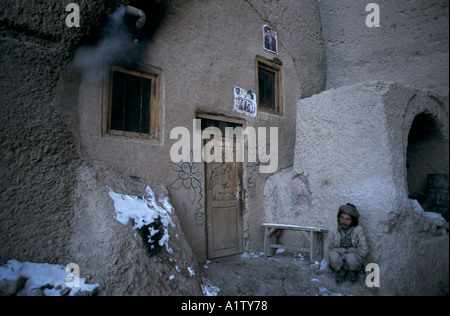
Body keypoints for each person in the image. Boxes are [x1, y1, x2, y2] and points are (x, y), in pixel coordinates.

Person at [327, 203, 369, 286]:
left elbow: (364, 251)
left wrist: (349, 252)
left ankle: (353, 272)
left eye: (348, 219)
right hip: (340, 258)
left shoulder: (358, 230)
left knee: (351, 258)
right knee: (333, 256)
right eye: (342, 218)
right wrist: (345, 251)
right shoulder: (333, 229)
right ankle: (341, 272)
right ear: (338, 218)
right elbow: (329, 249)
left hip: (353, 258)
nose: (344, 221)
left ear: (352, 221)